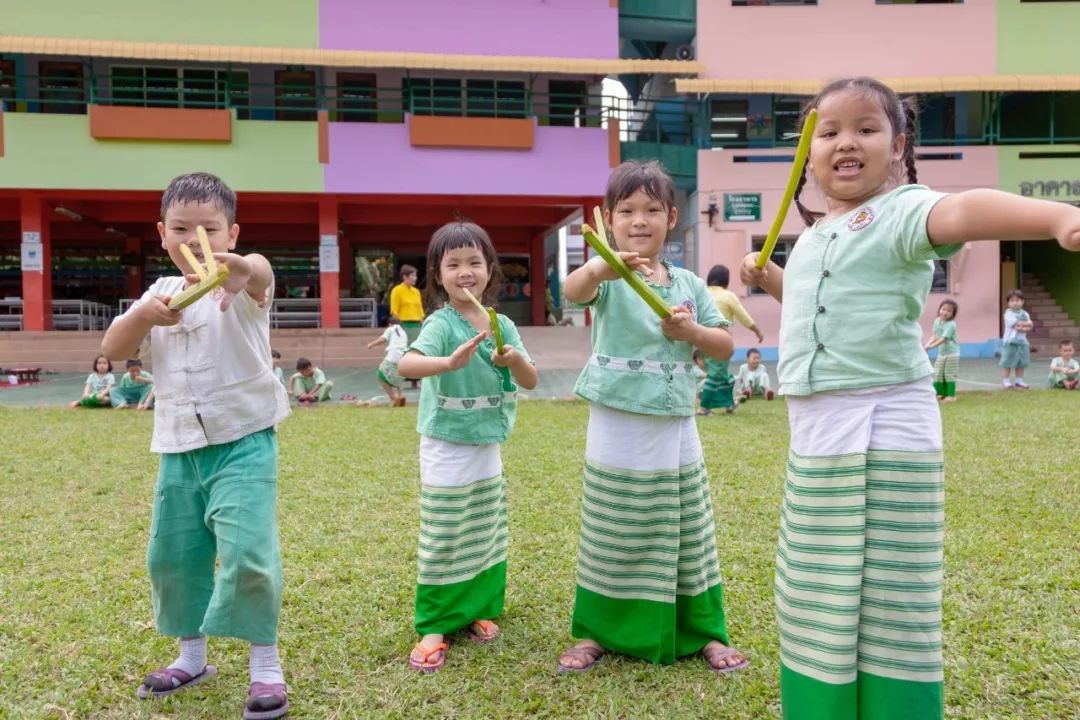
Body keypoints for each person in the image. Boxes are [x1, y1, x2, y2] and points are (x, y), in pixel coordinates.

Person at [739, 76, 1080, 720]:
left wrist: (1058, 217)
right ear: (807, 153)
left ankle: (897, 707)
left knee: (891, 584)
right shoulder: (813, 235)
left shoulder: (900, 211)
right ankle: (822, 706)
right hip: (819, 426)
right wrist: (773, 276)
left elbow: (966, 210)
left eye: (866, 129)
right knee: (815, 578)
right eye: (829, 131)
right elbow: (819, 307)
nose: (846, 142)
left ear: (897, 145)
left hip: (886, 420)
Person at [101, 172, 292, 719]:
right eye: (181, 228)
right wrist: (144, 315)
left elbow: (261, 271)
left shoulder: (242, 283)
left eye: (209, 228)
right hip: (179, 446)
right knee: (172, 556)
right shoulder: (158, 293)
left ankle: (265, 664)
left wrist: (242, 268)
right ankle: (191, 657)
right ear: (162, 233)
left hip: (244, 441)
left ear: (231, 233)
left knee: (249, 553)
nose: (195, 239)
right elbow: (114, 346)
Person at [558, 160, 746, 675]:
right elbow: (574, 290)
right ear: (607, 220)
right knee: (612, 524)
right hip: (616, 420)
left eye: (651, 210)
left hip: (674, 422)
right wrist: (601, 267)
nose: (638, 221)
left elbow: (724, 345)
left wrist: (692, 334)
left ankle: (702, 630)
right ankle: (597, 630)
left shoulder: (690, 283)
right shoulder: (607, 277)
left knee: (686, 525)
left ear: (671, 217)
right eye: (626, 211)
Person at [397, 221, 537, 673]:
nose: (465, 272)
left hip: (486, 440)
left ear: (489, 269)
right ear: (438, 275)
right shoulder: (440, 323)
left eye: (474, 262)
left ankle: (477, 607)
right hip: (446, 443)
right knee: (444, 531)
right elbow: (407, 363)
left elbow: (530, 379)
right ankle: (435, 624)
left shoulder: (502, 324)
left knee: (483, 527)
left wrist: (512, 357)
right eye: (453, 264)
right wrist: (448, 362)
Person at [699, 265, 765, 415]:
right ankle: (704, 407)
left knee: (725, 376)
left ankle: (729, 404)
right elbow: (743, 317)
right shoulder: (728, 296)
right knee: (715, 375)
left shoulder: (702, 293)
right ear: (726, 281)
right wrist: (757, 331)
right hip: (721, 341)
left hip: (703, 339)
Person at [391, 264, 425, 389]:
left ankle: (416, 379)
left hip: (416, 326)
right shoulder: (397, 290)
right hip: (404, 325)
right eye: (412, 275)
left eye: (415, 275)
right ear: (405, 277)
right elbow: (394, 310)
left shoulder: (416, 292)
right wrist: (397, 328)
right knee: (402, 352)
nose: (415, 278)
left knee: (417, 352)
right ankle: (397, 380)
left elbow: (420, 311)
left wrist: (423, 324)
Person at [367, 314, 409, 407]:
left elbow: (382, 339)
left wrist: (371, 344)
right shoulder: (403, 332)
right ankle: (401, 395)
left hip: (392, 357)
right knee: (398, 376)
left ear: (390, 324)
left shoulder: (391, 329)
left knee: (380, 375)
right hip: (403, 358)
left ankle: (393, 398)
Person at [924, 299, 960, 401]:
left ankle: (950, 395)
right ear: (940, 309)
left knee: (949, 373)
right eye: (943, 309)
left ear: (953, 314)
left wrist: (930, 347)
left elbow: (943, 339)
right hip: (942, 353)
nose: (945, 312)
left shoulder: (951, 324)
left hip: (952, 353)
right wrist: (926, 345)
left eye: (949, 311)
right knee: (938, 372)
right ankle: (940, 394)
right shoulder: (937, 321)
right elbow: (935, 336)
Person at [1000, 290, 1033, 389]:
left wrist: (1025, 327)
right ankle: (1006, 381)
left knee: (1021, 363)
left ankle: (1019, 381)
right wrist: (1026, 324)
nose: (1015, 303)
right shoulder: (1008, 313)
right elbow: (1016, 324)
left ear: (1022, 301)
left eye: (1017, 300)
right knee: (1007, 362)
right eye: (1012, 301)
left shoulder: (1025, 313)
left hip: (1022, 342)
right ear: (1008, 303)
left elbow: (1030, 326)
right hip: (1010, 342)